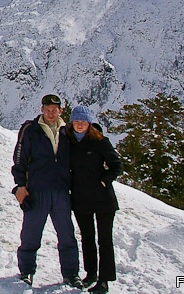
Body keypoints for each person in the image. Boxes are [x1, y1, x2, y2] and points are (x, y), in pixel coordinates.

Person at [11, 94, 81, 288]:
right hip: (37, 190)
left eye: (55, 110)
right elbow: (19, 159)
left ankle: (71, 274)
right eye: (48, 109)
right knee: (31, 234)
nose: (51, 113)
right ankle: (26, 272)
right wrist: (20, 186)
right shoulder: (30, 130)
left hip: (60, 191)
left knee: (67, 235)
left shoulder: (68, 131)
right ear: (42, 109)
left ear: (60, 111)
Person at [67, 105, 122, 293]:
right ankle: (91, 274)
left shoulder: (100, 141)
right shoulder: (69, 142)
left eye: (83, 121)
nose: (80, 125)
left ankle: (104, 280)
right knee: (87, 238)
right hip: (81, 199)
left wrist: (105, 181)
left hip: (103, 200)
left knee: (105, 240)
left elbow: (116, 165)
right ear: (72, 123)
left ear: (89, 123)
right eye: (76, 121)